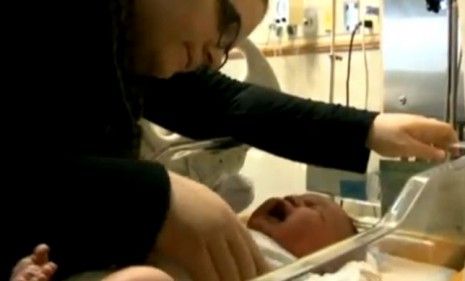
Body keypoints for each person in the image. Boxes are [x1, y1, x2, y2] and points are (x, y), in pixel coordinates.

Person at [3, 0, 459, 280]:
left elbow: (223, 103)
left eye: (228, 46)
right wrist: (151, 195)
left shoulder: (127, 44)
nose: (214, 57)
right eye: (224, 25)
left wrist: (369, 129)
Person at [12, 194, 361, 281]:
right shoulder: (234, 227)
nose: (293, 199)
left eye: (315, 208)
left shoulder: (296, 271)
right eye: (295, 193)